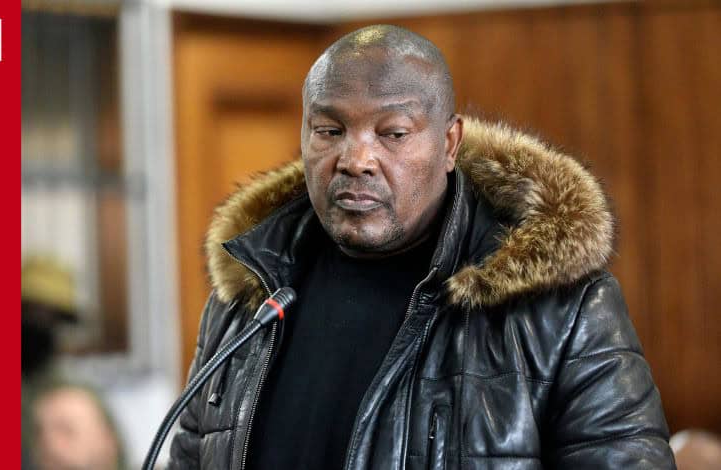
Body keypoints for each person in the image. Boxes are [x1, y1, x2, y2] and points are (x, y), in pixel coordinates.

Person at [168, 25, 676, 469]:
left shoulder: (563, 310)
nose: (356, 159)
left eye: (392, 133)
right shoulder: (248, 294)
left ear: (449, 144)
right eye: (329, 130)